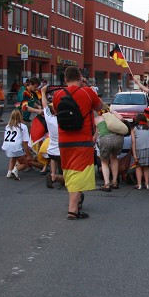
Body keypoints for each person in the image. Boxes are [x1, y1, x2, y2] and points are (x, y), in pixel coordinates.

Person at [57, 66, 103, 218]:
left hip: (64, 140)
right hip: (82, 140)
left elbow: (56, 111)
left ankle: (75, 204)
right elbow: (99, 106)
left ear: (65, 79)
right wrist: (86, 85)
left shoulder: (58, 94)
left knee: (70, 173)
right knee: (80, 173)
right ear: (80, 77)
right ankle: (72, 210)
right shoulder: (88, 92)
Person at [96, 105, 125, 191]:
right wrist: (114, 112)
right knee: (114, 158)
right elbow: (121, 118)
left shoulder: (98, 118)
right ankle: (115, 182)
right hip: (118, 139)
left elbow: (97, 132)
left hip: (105, 139)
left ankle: (107, 184)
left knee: (104, 161)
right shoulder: (113, 115)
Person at [2, 109, 32, 180]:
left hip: (6, 146)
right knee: (25, 163)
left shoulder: (8, 126)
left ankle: (9, 172)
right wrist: (28, 154)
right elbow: (25, 142)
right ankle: (15, 170)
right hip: (15, 146)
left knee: (13, 157)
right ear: (20, 116)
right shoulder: (22, 126)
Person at [132, 113, 149, 190]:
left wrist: (134, 154)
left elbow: (133, 142)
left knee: (138, 167)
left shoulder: (134, 129)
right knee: (146, 167)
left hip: (139, 148)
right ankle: (147, 184)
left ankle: (139, 185)